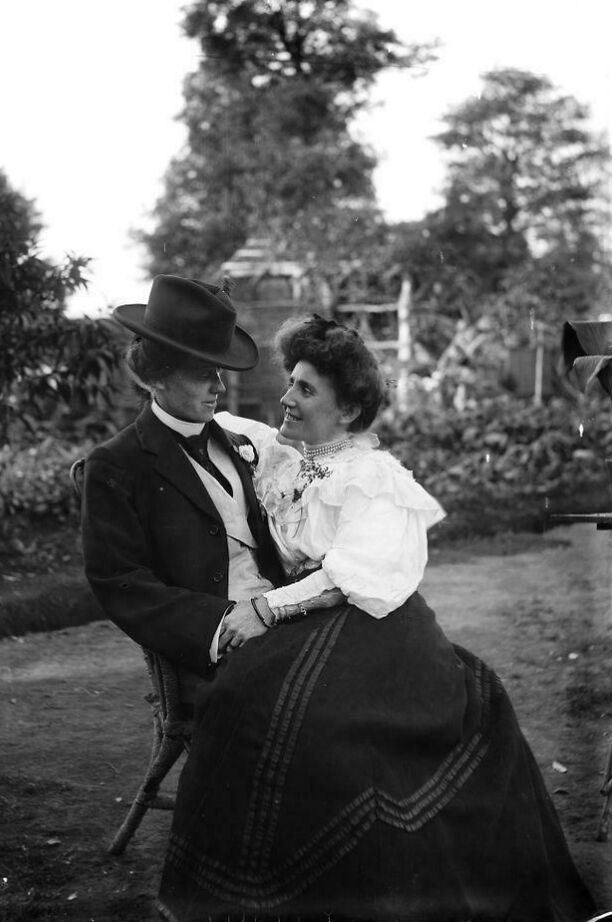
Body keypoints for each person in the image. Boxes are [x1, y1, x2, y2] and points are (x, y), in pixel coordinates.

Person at [157, 315, 595, 922]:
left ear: (347, 411)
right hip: (314, 626)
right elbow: (202, 426)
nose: (286, 397)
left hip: (379, 624)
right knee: (252, 703)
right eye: (291, 381)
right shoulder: (287, 456)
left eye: (306, 390)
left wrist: (266, 606)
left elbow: (349, 577)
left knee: (328, 726)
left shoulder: (372, 477)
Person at [81, 276, 340, 712]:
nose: (218, 387)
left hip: (278, 613)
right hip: (222, 643)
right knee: (332, 689)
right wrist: (219, 625)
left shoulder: (236, 442)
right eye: (204, 374)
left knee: (386, 638)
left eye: (219, 372)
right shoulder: (118, 464)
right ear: (156, 377)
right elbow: (120, 583)